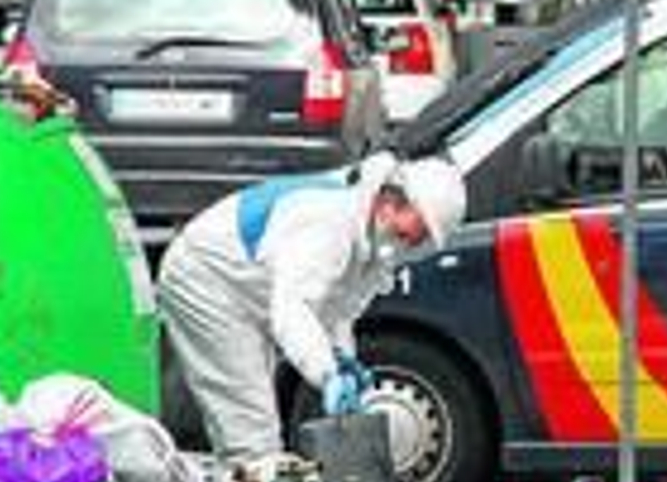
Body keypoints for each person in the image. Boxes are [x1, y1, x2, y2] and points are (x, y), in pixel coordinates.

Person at [157, 153, 468, 462]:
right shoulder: (330, 221)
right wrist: (327, 374)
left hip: (246, 289)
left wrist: (341, 358)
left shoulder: (372, 234)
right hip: (207, 281)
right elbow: (293, 309)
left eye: (422, 238)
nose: (413, 243)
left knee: (244, 412)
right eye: (415, 231)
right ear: (393, 201)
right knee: (251, 431)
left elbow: (336, 311)